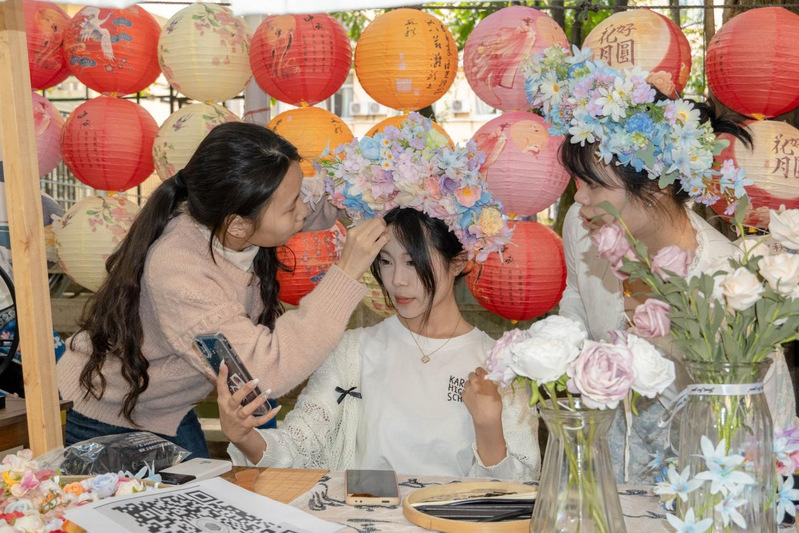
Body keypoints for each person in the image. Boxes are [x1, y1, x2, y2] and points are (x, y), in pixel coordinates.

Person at [524, 46, 797, 483]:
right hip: (600, 477)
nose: (580, 199)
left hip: (697, 488)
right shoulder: (582, 226)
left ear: (656, 187)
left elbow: (771, 423)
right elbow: (576, 298)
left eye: (595, 185)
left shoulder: (731, 284)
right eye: (577, 182)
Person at [218, 114, 540, 480]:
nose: (397, 280)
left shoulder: (499, 364)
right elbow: (300, 446)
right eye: (385, 261)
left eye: (413, 262)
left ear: (458, 261)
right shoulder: (353, 351)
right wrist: (245, 437)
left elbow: (522, 489)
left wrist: (488, 427)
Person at [57, 122, 389, 459]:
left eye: (300, 193)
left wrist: (382, 185)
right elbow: (262, 371)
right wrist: (346, 273)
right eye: (292, 206)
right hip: (111, 414)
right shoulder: (179, 269)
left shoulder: (234, 215)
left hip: (167, 407)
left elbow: (319, 201)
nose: (303, 210)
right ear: (238, 224)